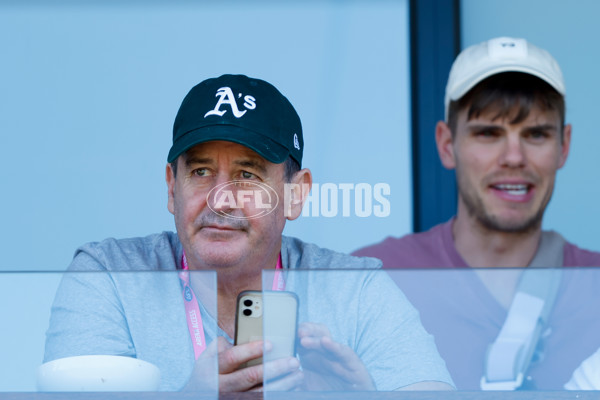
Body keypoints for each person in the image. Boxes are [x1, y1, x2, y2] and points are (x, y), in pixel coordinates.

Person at [43, 74, 454, 392]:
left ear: (296, 194)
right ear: (172, 186)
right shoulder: (108, 276)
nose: (221, 200)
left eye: (247, 174)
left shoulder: (355, 288)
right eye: (201, 171)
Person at [353, 37, 600, 390]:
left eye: (536, 134)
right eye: (488, 133)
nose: (514, 157)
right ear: (446, 144)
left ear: (564, 146)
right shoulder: (373, 282)